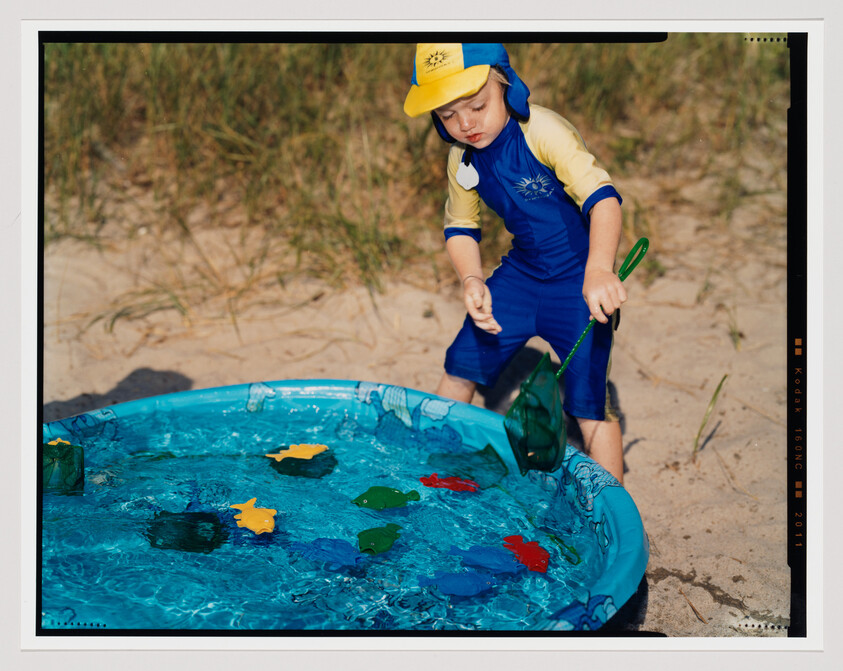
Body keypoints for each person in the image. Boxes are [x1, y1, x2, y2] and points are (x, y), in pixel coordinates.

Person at [403, 43, 628, 483]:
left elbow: (603, 200)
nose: (465, 123)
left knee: (589, 404)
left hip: (578, 283)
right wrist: (471, 278)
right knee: (461, 362)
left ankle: (613, 516)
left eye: (477, 105)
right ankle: (428, 467)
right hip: (522, 276)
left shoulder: (543, 131)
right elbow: (462, 226)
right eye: (448, 115)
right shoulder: (461, 156)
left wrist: (600, 269)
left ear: (505, 84)